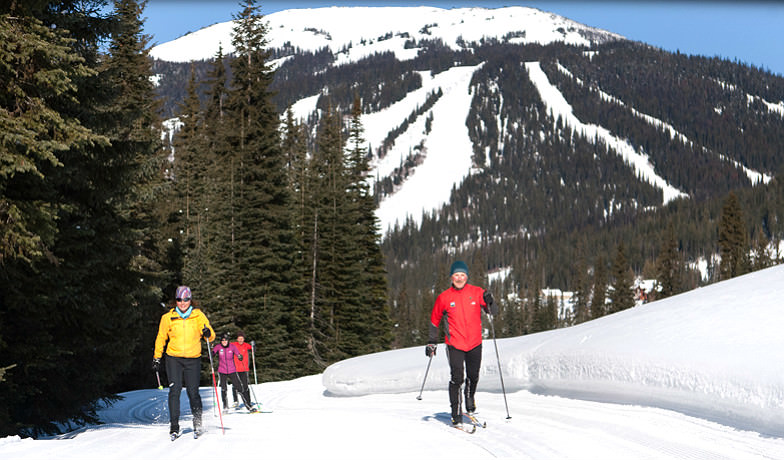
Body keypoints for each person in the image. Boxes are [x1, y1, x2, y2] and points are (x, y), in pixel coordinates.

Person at [426, 260, 497, 426]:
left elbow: (493, 312)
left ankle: (469, 396)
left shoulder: (477, 292)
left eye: (462, 275)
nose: (459, 278)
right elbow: (434, 320)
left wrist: (490, 301)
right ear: (451, 277)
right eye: (456, 275)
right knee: (457, 378)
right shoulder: (444, 298)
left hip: (474, 343)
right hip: (454, 344)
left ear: (467, 276)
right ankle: (456, 412)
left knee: (473, 376)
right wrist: (431, 342)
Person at [153, 286, 215, 438]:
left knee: (193, 392)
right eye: (179, 299)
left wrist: (207, 333)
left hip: (193, 359)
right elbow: (161, 338)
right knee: (175, 391)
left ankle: (198, 423)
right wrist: (157, 357)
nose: (182, 303)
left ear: (190, 300)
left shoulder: (198, 315)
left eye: (186, 299)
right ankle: (174, 427)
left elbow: (210, 335)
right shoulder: (168, 317)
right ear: (176, 300)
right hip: (173, 358)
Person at [213, 333, 255, 413]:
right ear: (221, 341)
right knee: (224, 389)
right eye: (222, 340)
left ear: (228, 341)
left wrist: (240, 356)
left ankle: (248, 406)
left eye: (226, 340)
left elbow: (238, 353)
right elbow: (213, 353)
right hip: (222, 371)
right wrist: (211, 354)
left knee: (239, 388)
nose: (224, 342)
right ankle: (225, 407)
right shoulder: (218, 347)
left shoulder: (232, 347)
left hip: (232, 370)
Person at [231, 331, 254, 409]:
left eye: (242, 338)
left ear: (244, 339)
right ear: (237, 339)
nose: (240, 340)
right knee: (235, 385)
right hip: (235, 368)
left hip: (244, 369)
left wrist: (254, 345)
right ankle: (235, 401)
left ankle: (248, 401)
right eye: (239, 338)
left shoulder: (246, 345)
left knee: (245, 385)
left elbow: (253, 349)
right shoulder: (233, 345)